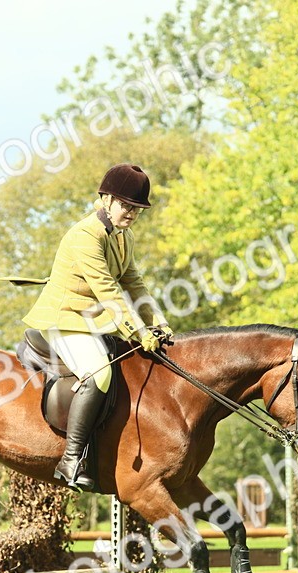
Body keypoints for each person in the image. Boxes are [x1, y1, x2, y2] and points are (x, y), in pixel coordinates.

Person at [22, 163, 173, 490]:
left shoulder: (124, 236)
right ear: (106, 199)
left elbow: (134, 283)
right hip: (64, 318)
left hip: (91, 321)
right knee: (99, 373)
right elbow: (107, 289)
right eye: (125, 205)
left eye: (137, 208)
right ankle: (71, 459)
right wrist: (138, 332)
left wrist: (159, 324)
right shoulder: (85, 235)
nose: (132, 213)